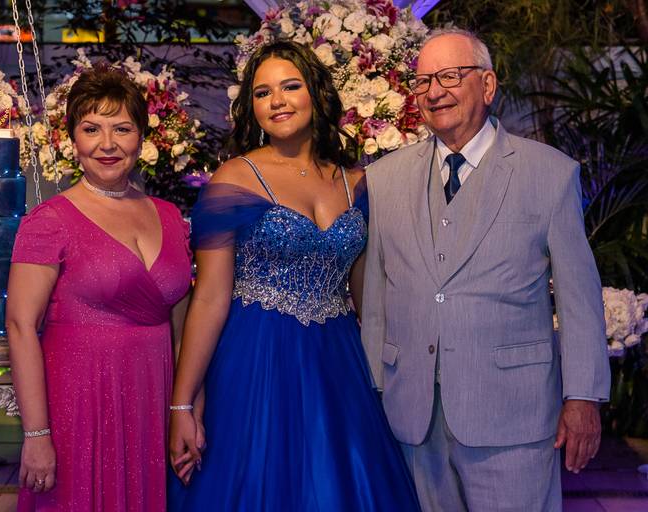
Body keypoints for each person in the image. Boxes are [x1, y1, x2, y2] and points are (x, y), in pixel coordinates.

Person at [361, 28, 611, 511]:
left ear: (488, 85)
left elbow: (579, 299)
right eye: (423, 81)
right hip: (412, 417)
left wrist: (583, 397)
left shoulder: (550, 173)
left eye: (451, 76)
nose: (435, 92)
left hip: (514, 418)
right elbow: (376, 300)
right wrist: (374, 389)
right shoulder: (384, 178)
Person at [167, 40, 420, 511]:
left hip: (338, 361)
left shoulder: (357, 182)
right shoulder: (234, 178)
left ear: (316, 94)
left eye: (290, 87)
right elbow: (209, 299)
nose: (277, 101)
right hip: (256, 357)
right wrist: (182, 403)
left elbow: (368, 300)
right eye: (262, 93)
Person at [7, 65, 192, 511]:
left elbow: (183, 332)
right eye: (91, 129)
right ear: (73, 140)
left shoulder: (171, 217)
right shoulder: (49, 221)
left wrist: (186, 409)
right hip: (79, 405)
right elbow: (19, 326)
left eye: (122, 129)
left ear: (141, 138)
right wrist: (36, 434)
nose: (107, 144)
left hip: (152, 400)